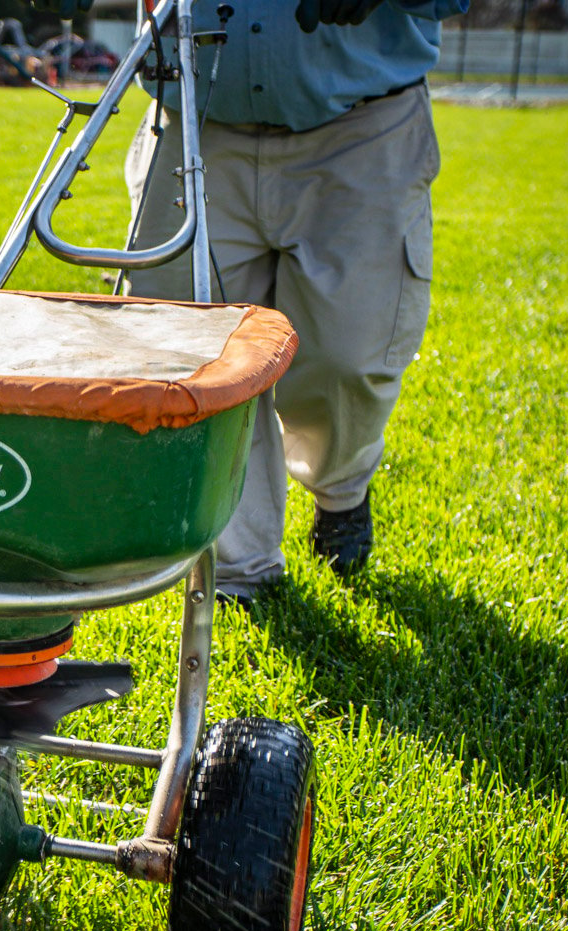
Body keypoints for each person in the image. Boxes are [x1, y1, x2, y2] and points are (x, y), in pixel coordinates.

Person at [119, 0, 466, 596]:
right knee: (202, 361)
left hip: (362, 129)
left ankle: (341, 488)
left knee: (347, 357)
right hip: (197, 126)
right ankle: (238, 567)